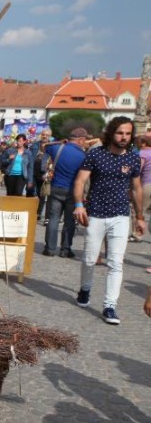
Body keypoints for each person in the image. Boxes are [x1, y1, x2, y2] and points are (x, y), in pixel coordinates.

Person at [73, 117, 145, 325]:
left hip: (121, 215)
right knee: (89, 259)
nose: (124, 137)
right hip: (95, 214)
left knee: (116, 262)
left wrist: (139, 217)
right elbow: (80, 181)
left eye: (128, 134)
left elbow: (137, 188)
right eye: (120, 133)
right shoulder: (95, 154)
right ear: (112, 133)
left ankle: (110, 306)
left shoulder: (132, 158)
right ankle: (85, 289)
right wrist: (79, 205)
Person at [41, 128, 87, 257]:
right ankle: (65, 249)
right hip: (73, 191)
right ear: (81, 139)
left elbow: (44, 145)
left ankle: (50, 249)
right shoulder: (83, 156)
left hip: (56, 188)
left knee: (53, 219)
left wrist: (59, 142)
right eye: (85, 140)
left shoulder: (58, 148)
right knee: (69, 221)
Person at [131, 132, 151, 243]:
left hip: (146, 184)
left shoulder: (142, 153)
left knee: (139, 209)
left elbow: (138, 169)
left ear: (143, 143)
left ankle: (137, 234)